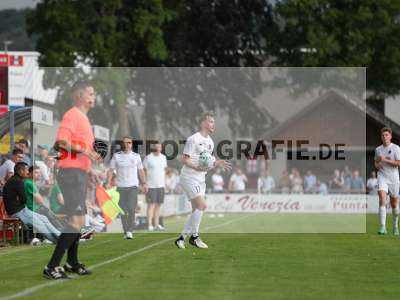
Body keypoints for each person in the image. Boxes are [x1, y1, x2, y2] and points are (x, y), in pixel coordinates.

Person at [44, 81, 102, 280]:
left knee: (78, 220)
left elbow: (80, 150)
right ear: (79, 95)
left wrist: (90, 168)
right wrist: (86, 151)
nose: (94, 97)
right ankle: (51, 266)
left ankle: (72, 262)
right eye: (91, 93)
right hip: (70, 174)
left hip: (78, 173)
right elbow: (61, 142)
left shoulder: (84, 118)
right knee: (76, 221)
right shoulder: (72, 115)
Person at [175, 111, 231, 249]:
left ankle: (182, 238)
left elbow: (207, 163)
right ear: (203, 123)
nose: (213, 124)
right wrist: (197, 167)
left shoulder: (210, 142)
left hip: (200, 179)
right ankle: (194, 237)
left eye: (213, 122)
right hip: (189, 177)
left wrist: (216, 163)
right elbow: (184, 159)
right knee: (202, 206)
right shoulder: (193, 139)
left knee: (196, 210)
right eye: (211, 121)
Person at [2, 162, 60, 244]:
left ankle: (61, 236)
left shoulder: (15, 180)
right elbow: (24, 198)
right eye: (26, 170)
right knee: (40, 224)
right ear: (20, 171)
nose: (28, 172)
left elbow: (21, 198)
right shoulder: (17, 181)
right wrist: (21, 203)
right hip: (18, 211)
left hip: (19, 210)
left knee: (44, 218)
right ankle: (58, 240)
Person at [107, 136, 148, 239]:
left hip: (133, 186)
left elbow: (141, 171)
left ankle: (130, 230)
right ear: (122, 144)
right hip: (120, 187)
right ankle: (125, 230)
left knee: (131, 209)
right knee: (123, 210)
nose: (127, 144)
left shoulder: (136, 156)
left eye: (129, 142)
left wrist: (144, 183)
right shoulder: (116, 156)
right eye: (125, 142)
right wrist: (108, 182)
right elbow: (111, 170)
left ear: (131, 144)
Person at [374, 127, 400, 235]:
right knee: (382, 199)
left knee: (394, 204)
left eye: (386, 135)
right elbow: (375, 163)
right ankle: (383, 227)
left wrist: (384, 160)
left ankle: (395, 226)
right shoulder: (378, 149)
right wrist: (378, 165)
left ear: (390, 136)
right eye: (383, 135)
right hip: (382, 176)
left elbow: (398, 163)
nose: (384, 137)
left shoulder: (396, 148)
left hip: (393, 178)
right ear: (381, 137)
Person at [143, 143, 167, 231]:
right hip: (151, 185)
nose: (158, 148)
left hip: (161, 185)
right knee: (151, 205)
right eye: (156, 147)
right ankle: (149, 225)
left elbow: (163, 171)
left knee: (158, 205)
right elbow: (144, 171)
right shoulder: (148, 158)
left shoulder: (163, 158)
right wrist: (145, 183)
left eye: (160, 147)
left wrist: (165, 184)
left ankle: (156, 224)